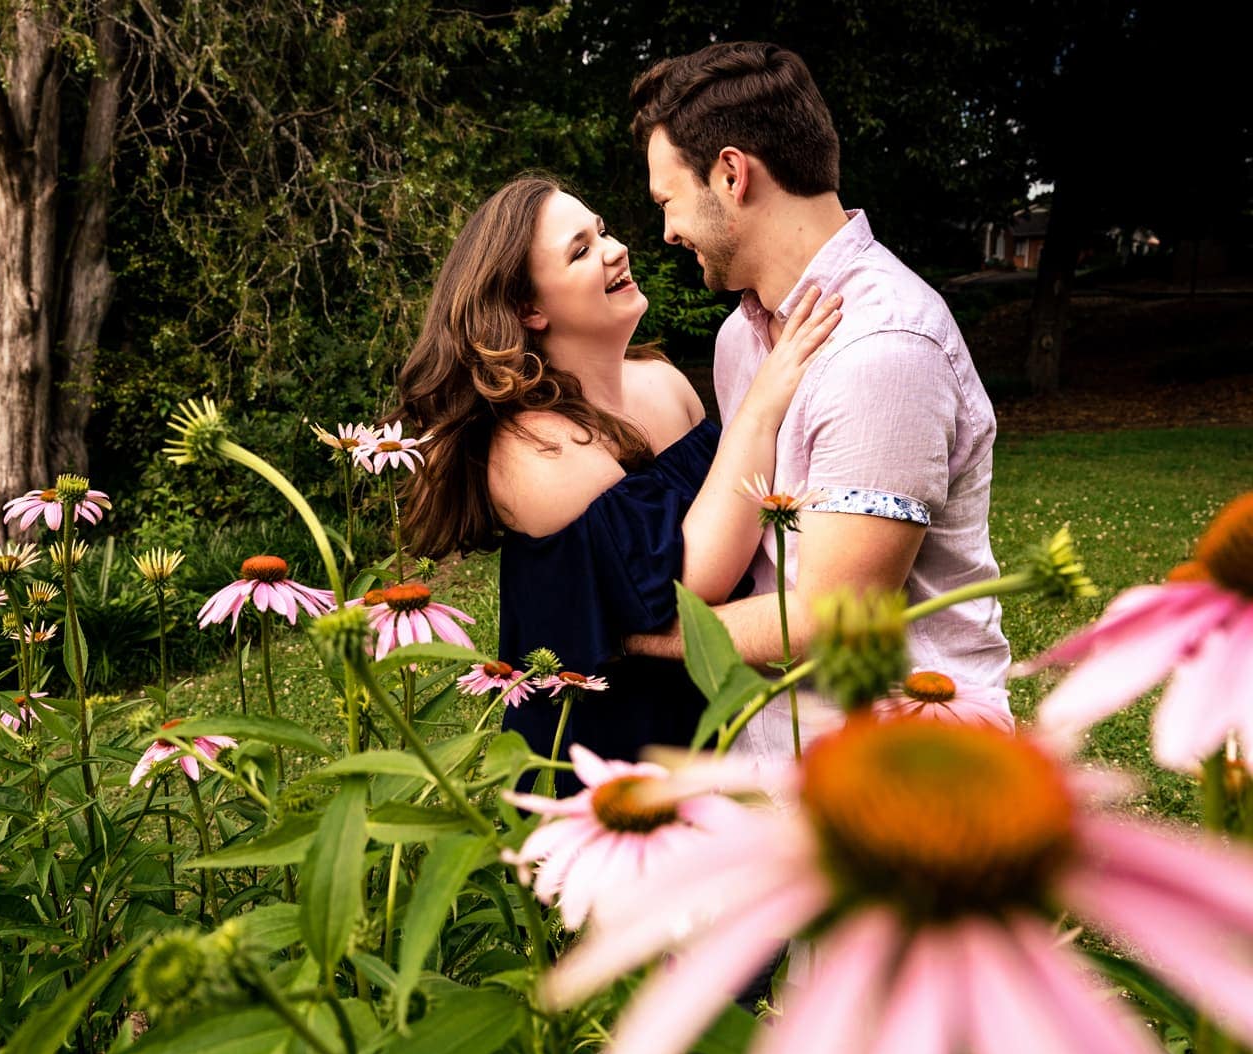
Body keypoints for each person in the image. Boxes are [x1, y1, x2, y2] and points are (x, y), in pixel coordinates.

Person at [393, 175, 839, 793]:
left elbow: (744, 506)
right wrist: (762, 406)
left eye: (601, 231)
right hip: (618, 761)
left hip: (721, 725)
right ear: (529, 311)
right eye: (580, 250)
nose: (615, 249)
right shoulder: (534, 448)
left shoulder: (663, 383)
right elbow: (693, 585)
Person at [626, 42, 1011, 758]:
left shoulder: (883, 345)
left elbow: (833, 616)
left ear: (732, 174)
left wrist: (626, 630)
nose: (668, 231)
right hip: (768, 746)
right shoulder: (740, 339)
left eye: (668, 201)